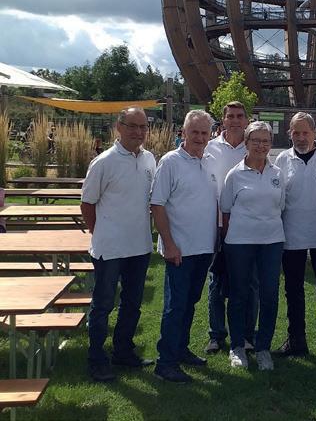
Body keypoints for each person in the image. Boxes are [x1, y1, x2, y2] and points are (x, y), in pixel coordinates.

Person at [81, 107, 156, 382]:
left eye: (143, 126)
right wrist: (99, 232)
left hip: (139, 245)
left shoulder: (149, 159)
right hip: (110, 248)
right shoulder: (104, 162)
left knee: (132, 304)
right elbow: (87, 203)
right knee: (103, 305)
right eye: (132, 126)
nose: (138, 132)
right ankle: (96, 358)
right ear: (119, 127)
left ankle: (123, 351)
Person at [151, 110, 219, 383]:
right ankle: (165, 362)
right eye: (195, 132)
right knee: (175, 306)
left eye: (205, 133)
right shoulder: (170, 162)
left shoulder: (209, 162)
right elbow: (157, 205)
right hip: (179, 249)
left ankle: (181, 349)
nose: (200, 138)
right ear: (183, 133)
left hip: (203, 248)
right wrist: (169, 244)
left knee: (190, 302)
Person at [274, 112, 316, 357]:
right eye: (296, 132)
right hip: (292, 236)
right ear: (289, 133)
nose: (301, 137)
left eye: (305, 132)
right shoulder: (282, 159)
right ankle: (296, 341)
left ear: (314, 133)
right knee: (293, 292)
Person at [221, 121, 285, 371]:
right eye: (255, 140)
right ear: (246, 143)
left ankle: (263, 348)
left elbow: (280, 206)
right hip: (240, 243)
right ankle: (237, 346)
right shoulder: (234, 175)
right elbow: (226, 211)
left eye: (265, 141)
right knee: (239, 294)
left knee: (269, 295)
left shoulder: (277, 173)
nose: (260, 145)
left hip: (271, 242)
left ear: (271, 144)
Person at [202, 101, 257, 355]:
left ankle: (247, 334)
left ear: (246, 120)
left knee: (250, 282)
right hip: (216, 225)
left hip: (247, 227)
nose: (235, 121)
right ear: (223, 120)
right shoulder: (209, 148)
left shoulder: (253, 148)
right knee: (216, 281)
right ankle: (216, 334)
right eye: (230, 116)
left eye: (239, 116)